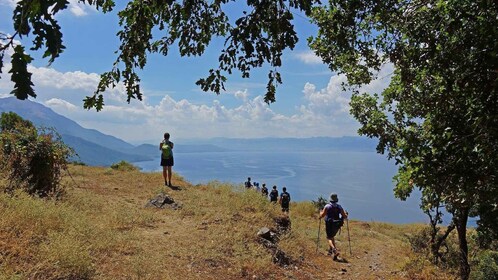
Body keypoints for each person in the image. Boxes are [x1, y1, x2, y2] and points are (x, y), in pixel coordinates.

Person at [319, 193, 348, 260]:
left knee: (329, 238)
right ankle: (331, 252)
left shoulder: (327, 206)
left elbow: (322, 215)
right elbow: (344, 216)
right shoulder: (339, 207)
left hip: (329, 224)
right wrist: (346, 214)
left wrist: (320, 213)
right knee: (332, 237)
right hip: (337, 225)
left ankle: (334, 250)